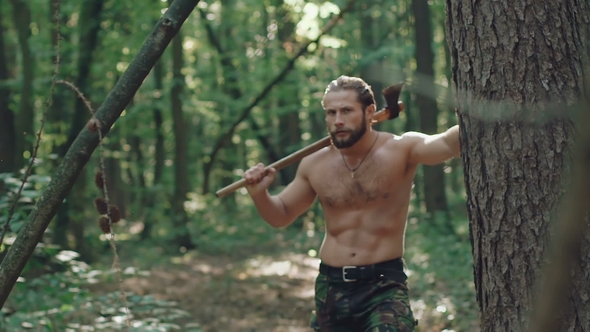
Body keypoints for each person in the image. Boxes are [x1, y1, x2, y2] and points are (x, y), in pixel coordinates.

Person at [243, 75, 460, 332]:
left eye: (346, 111)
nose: (337, 120)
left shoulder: (401, 148)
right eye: (331, 112)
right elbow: (281, 215)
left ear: (370, 112)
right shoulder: (315, 163)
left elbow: (447, 143)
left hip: (384, 284)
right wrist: (259, 194)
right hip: (331, 285)